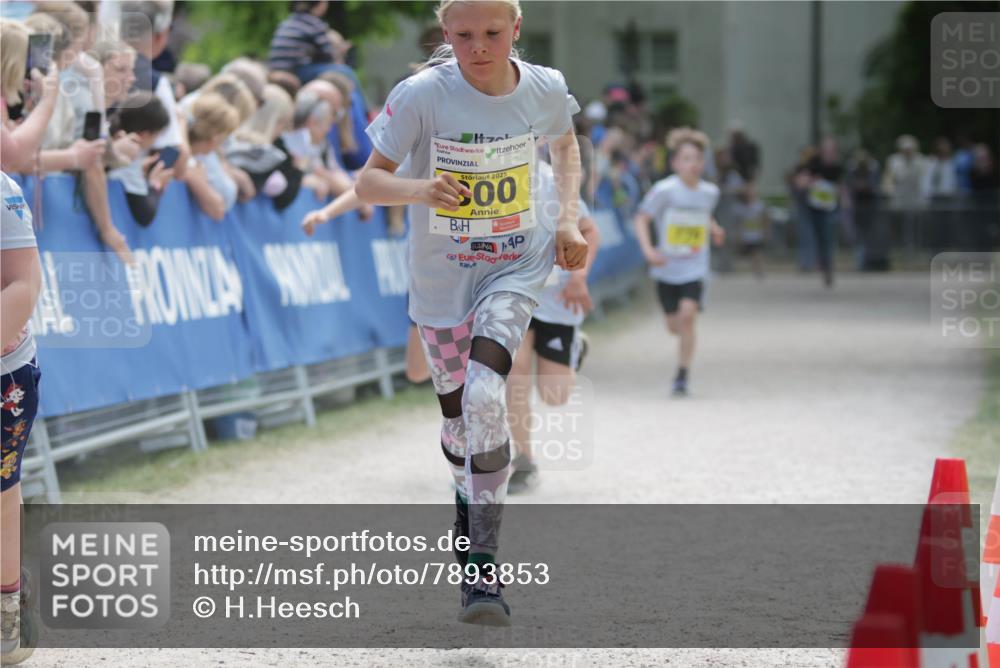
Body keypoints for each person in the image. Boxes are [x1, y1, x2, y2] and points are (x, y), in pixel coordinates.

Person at [355, 0, 586, 625]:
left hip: (515, 264)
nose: (478, 47)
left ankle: (481, 571)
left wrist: (565, 216)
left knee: (487, 394)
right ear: (445, 33)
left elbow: (566, 150)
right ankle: (471, 508)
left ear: (516, 29)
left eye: (492, 33)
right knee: (462, 427)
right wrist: (419, 188)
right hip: (442, 280)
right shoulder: (421, 95)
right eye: (463, 35)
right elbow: (366, 184)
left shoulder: (544, 88)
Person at [507, 158, 600, 494]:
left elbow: (590, 230)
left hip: (555, 300)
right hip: (513, 295)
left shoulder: (554, 181)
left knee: (555, 395)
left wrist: (579, 277)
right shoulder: (488, 175)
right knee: (515, 370)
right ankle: (523, 459)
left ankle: (576, 348)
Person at [633, 127, 724, 396]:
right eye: (686, 158)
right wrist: (649, 251)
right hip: (666, 269)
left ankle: (682, 375)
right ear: (675, 163)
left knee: (688, 316)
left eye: (697, 158)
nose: (693, 164)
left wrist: (715, 228)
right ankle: (679, 340)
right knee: (674, 325)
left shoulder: (710, 192)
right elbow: (641, 218)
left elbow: (703, 215)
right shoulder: (665, 190)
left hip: (695, 266)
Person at [0, 170, 43, 665]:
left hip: (5, 373)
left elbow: (23, 282)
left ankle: (8, 600)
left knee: (1, 490)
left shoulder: (3, 191)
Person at [107, 91, 174, 226]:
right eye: (157, 135)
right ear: (145, 134)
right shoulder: (129, 153)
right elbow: (145, 214)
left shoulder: (110, 133)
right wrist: (155, 184)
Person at [796, 136, 844, 287]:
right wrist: (811, 182)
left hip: (829, 208)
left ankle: (828, 267)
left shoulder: (837, 166)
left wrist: (843, 197)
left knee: (827, 238)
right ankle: (813, 262)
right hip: (813, 208)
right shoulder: (814, 164)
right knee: (814, 237)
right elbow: (801, 181)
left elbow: (841, 187)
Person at [731, 180, 768, 279]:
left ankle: (758, 271)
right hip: (745, 236)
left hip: (757, 235)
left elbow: (765, 220)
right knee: (747, 255)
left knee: (757, 254)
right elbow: (737, 223)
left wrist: (765, 232)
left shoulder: (760, 205)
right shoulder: (739, 207)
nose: (749, 194)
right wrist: (737, 235)